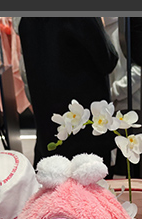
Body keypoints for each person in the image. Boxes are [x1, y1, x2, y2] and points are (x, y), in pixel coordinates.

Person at [17, 17, 119, 168]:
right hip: (85, 130)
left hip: (49, 129)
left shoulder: (26, 19)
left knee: (53, 177)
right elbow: (108, 60)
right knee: (90, 178)